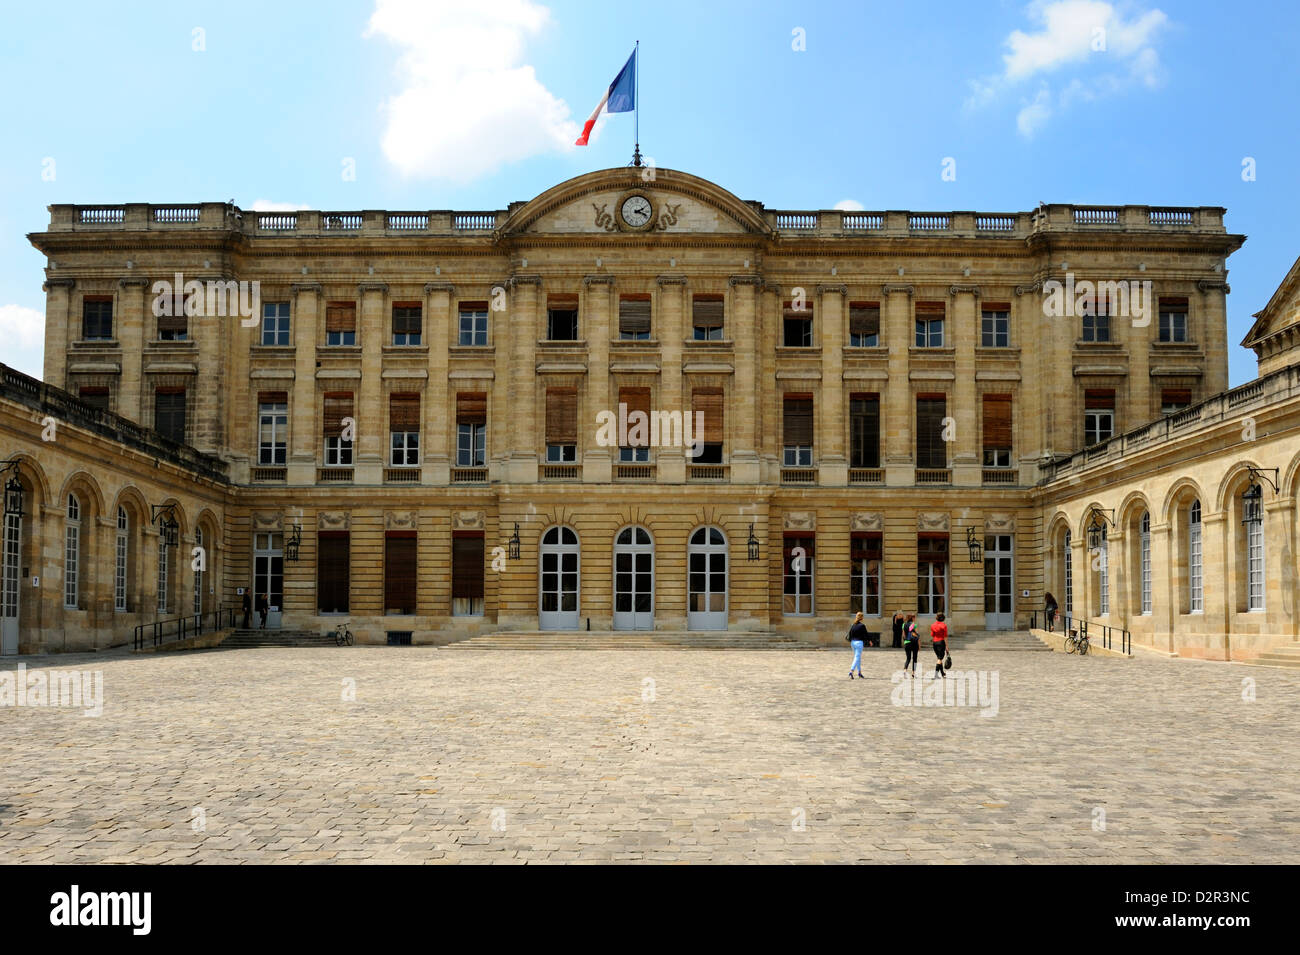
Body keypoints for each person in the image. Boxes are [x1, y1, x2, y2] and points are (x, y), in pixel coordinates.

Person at [846, 611, 868, 680]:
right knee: (857, 657)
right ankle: (851, 671)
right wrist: (869, 641)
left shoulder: (853, 625)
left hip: (853, 642)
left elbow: (851, 634)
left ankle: (859, 672)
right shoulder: (862, 626)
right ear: (862, 618)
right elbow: (866, 634)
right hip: (859, 643)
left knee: (857, 657)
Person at [931, 612, 949, 679]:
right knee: (940, 658)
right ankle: (936, 674)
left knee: (939, 658)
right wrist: (947, 646)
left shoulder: (933, 625)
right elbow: (945, 636)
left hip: (934, 642)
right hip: (941, 642)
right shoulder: (944, 625)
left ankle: (942, 673)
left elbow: (932, 635)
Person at [903, 612, 919, 677]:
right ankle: (913, 672)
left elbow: (903, 635)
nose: (915, 618)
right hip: (914, 643)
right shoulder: (914, 625)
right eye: (914, 617)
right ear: (912, 618)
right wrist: (919, 644)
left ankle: (905, 670)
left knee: (908, 658)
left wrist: (905, 641)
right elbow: (917, 635)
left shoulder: (904, 625)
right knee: (914, 658)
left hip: (907, 642)